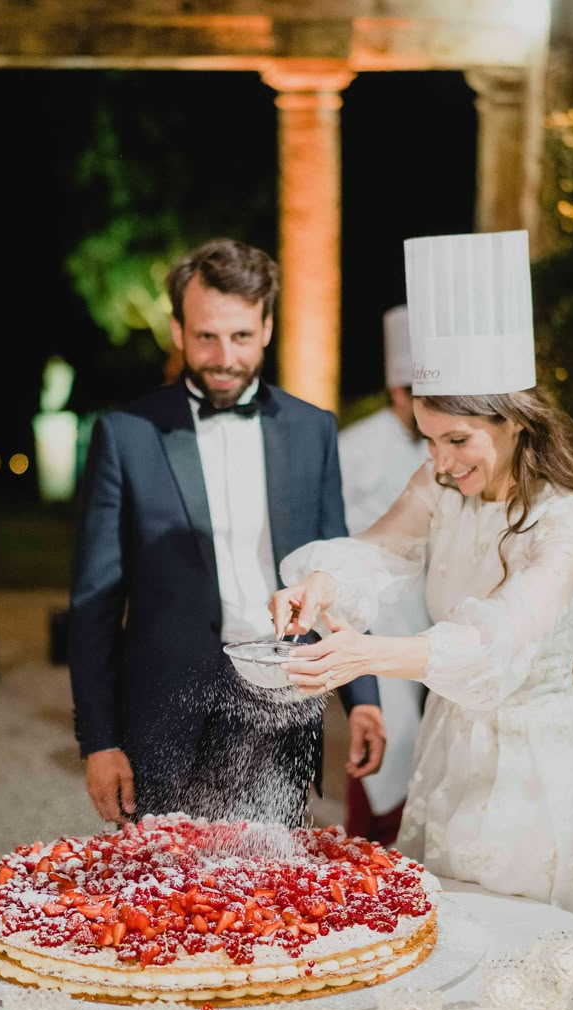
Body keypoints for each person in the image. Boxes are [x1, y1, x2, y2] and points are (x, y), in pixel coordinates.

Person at [270, 229, 573, 938]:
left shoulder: (567, 526)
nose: (440, 460)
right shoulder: (443, 487)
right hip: (447, 753)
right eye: (429, 439)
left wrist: (366, 655)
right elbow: (379, 550)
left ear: (518, 423)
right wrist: (319, 584)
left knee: (535, 958)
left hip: (537, 780)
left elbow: (493, 643)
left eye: (458, 440)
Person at [69, 238, 384, 829]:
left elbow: (338, 573)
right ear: (178, 329)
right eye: (206, 336)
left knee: (272, 895)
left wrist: (363, 698)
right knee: (165, 901)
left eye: (241, 336)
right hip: (164, 716)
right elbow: (94, 602)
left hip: (283, 705)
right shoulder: (127, 436)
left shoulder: (313, 430)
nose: (223, 356)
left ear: (266, 327)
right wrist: (99, 741)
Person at [338, 305, 430, 844]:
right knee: (387, 734)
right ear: (397, 391)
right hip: (381, 610)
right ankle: (369, 843)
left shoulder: (445, 449)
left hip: (433, 608)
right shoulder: (356, 447)